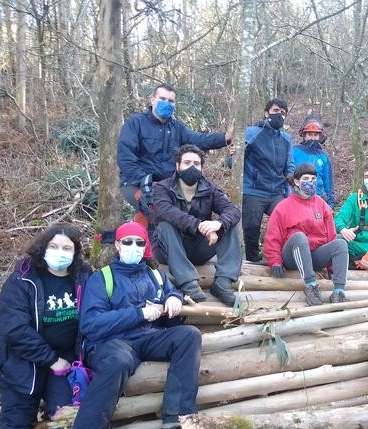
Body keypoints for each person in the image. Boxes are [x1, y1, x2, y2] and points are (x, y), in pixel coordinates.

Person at [68, 222, 201, 429]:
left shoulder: (155, 275)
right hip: (113, 342)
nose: (134, 247)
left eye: (139, 243)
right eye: (127, 242)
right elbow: (91, 324)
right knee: (118, 361)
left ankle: (177, 414)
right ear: (117, 245)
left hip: (150, 336)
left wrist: (174, 298)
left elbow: (173, 291)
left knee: (189, 335)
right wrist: (139, 314)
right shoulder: (102, 279)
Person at [0, 224, 91, 429]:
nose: (60, 253)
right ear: (43, 247)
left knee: (63, 419)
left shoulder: (84, 277)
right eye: (54, 247)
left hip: (66, 363)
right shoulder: (23, 279)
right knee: (17, 423)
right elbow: (14, 330)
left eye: (67, 248)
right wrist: (50, 359)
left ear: (75, 253)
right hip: (23, 364)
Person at [117, 83, 233, 220]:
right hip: (136, 183)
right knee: (161, 215)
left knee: (187, 212)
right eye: (162, 99)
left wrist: (225, 137)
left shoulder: (177, 128)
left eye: (171, 101)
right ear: (152, 100)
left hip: (167, 185)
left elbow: (199, 140)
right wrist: (146, 181)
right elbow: (126, 158)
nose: (167, 103)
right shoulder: (136, 123)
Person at [152, 145, 242, 306]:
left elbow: (232, 210)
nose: (192, 167)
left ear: (201, 167)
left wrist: (218, 224)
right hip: (168, 248)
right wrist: (200, 226)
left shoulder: (210, 188)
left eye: (196, 163)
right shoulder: (162, 187)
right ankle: (188, 284)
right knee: (165, 224)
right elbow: (166, 211)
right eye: (187, 163)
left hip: (198, 248)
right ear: (177, 165)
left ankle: (223, 282)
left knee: (229, 225)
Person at [264, 163, 349, 306]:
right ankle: (311, 286)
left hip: (315, 254)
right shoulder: (283, 206)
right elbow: (273, 236)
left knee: (341, 243)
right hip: (292, 254)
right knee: (299, 236)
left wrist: (331, 266)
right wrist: (275, 260)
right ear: (297, 181)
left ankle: (339, 292)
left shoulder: (322, 205)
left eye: (313, 179)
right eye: (306, 178)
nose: (310, 182)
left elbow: (331, 236)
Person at [242, 98, 295, 262]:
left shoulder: (286, 139)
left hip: (277, 191)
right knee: (251, 227)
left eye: (283, 113)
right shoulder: (252, 132)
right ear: (267, 113)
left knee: (287, 221)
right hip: (254, 189)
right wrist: (231, 159)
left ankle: (278, 256)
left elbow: (290, 164)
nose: (279, 115)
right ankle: (252, 259)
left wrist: (291, 180)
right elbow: (237, 155)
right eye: (276, 111)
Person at [292, 117, 335, 208]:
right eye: (310, 134)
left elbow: (328, 181)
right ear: (304, 135)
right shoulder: (294, 151)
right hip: (295, 197)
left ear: (320, 137)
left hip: (316, 199)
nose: (313, 138)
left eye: (315, 135)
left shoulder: (323, 157)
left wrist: (330, 203)